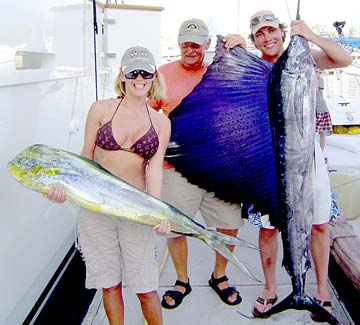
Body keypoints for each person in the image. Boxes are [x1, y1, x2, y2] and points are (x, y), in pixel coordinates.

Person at [46, 45, 171, 325]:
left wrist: (159, 210)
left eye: (146, 72)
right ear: (122, 75)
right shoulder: (100, 109)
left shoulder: (161, 122)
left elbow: (154, 171)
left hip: (135, 210)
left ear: (154, 76)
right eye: (133, 72)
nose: (139, 78)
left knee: (146, 288)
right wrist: (62, 188)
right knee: (110, 284)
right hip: (95, 210)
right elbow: (85, 157)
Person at [248, 10, 352, 321]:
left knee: (319, 224)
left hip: (310, 159)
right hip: (267, 163)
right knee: (268, 230)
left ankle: (319, 291)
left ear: (281, 32)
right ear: (254, 40)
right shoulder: (254, 69)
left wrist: (309, 34)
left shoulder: (304, 59)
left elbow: (345, 59)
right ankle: (270, 289)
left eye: (271, 31)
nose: (267, 38)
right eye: (259, 34)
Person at [148, 18, 247, 308]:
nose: (190, 49)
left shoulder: (223, 68)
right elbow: (146, 116)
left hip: (221, 168)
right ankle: (182, 280)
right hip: (176, 169)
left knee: (229, 226)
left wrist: (241, 46)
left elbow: (257, 79)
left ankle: (220, 276)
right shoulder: (162, 74)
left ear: (207, 44)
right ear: (178, 44)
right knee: (177, 228)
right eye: (185, 44)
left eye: (197, 44)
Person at [315, 68, 333, 152]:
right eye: (316, 72)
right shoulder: (308, 80)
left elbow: (316, 90)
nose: (318, 74)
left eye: (319, 72)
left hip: (321, 109)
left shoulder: (320, 80)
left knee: (322, 133)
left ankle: (321, 152)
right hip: (312, 111)